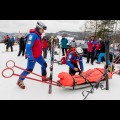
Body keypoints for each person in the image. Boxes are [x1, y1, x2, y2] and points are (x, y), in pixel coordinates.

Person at [17, 21, 48, 89]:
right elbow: (28, 47)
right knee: (29, 70)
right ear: (38, 28)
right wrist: (30, 57)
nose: (43, 31)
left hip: (38, 56)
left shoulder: (38, 35)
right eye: (42, 29)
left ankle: (43, 78)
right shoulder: (32, 35)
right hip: (33, 57)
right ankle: (20, 80)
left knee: (44, 65)